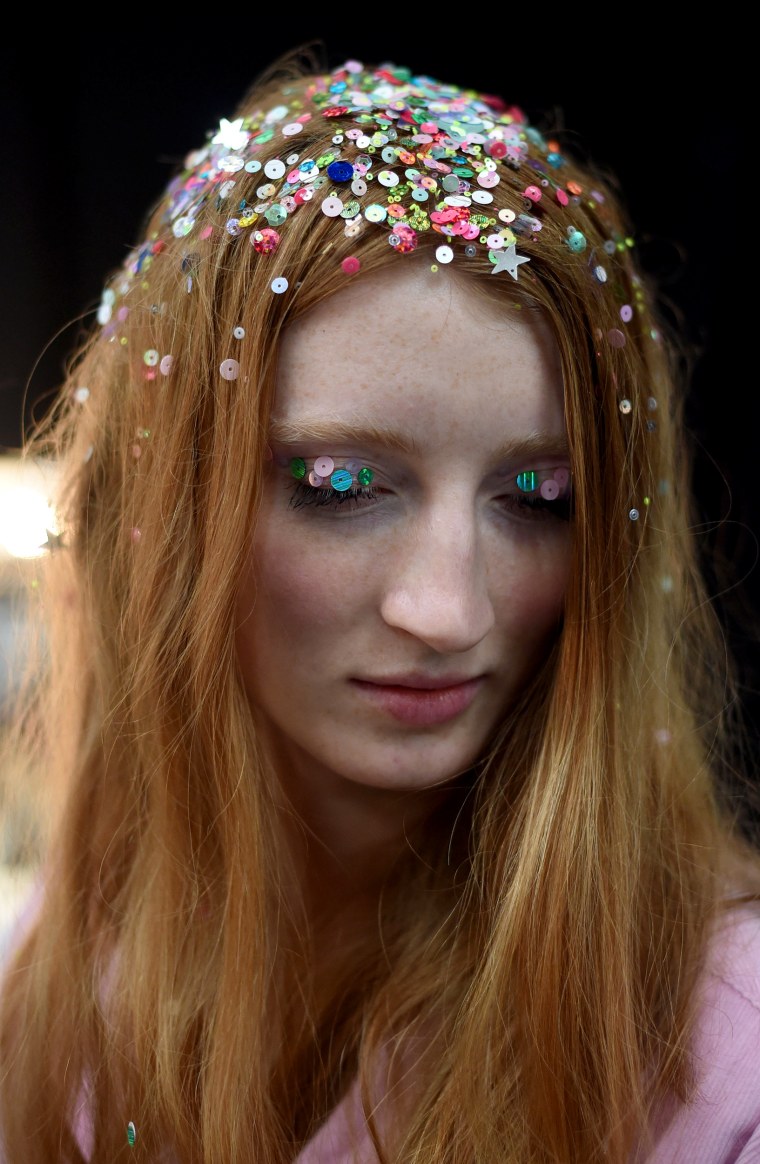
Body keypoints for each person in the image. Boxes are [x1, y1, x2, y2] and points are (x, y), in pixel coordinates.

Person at [1, 50, 759, 1164]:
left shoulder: (727, 1046)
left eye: (539, 496)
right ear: (163, 507)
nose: (448, 612)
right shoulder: (57, 963)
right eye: (341, 485)